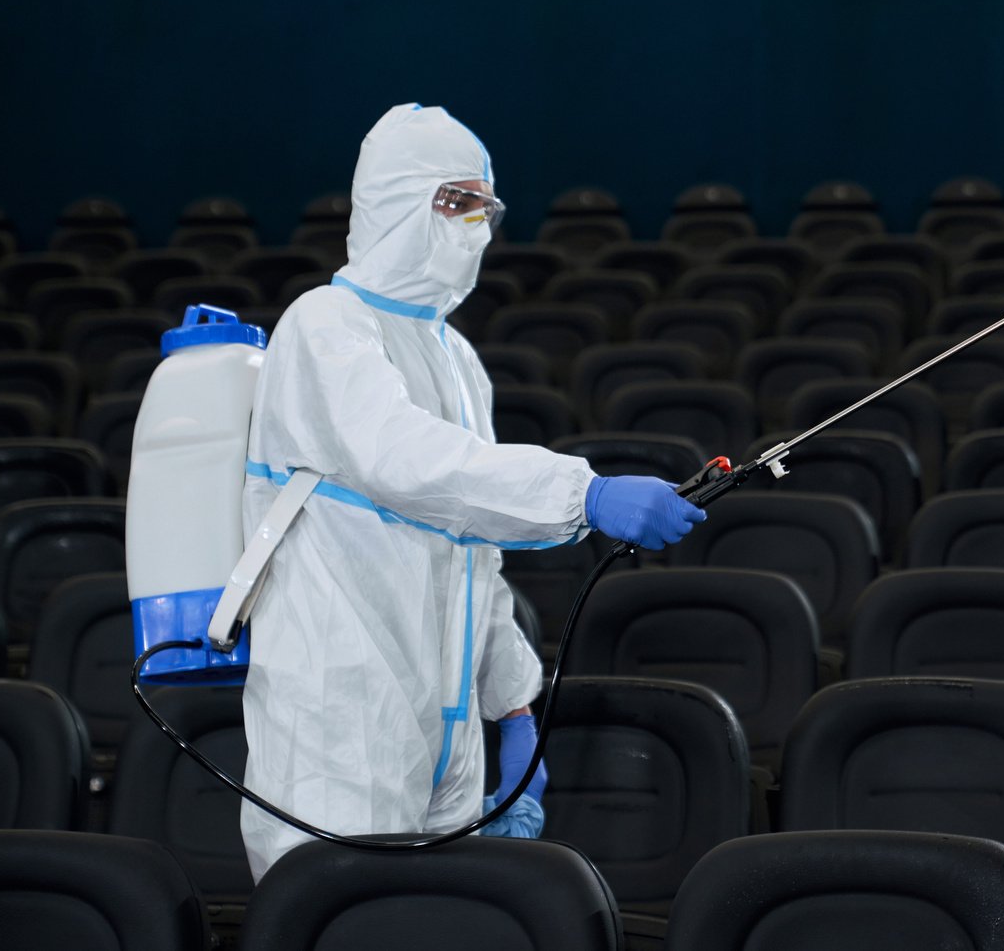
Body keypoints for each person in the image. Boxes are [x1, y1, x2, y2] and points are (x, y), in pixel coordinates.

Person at [238, 103, 705, 881]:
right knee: (338, 926)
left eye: (485, 206)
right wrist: (582, 492)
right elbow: (407, 462)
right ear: (393, 202)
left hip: (443, 733)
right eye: (454, 201)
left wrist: (513, 703)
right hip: (338, 729)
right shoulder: (325, 326)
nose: (476, 226)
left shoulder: (456, 358)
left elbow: (469, 551)